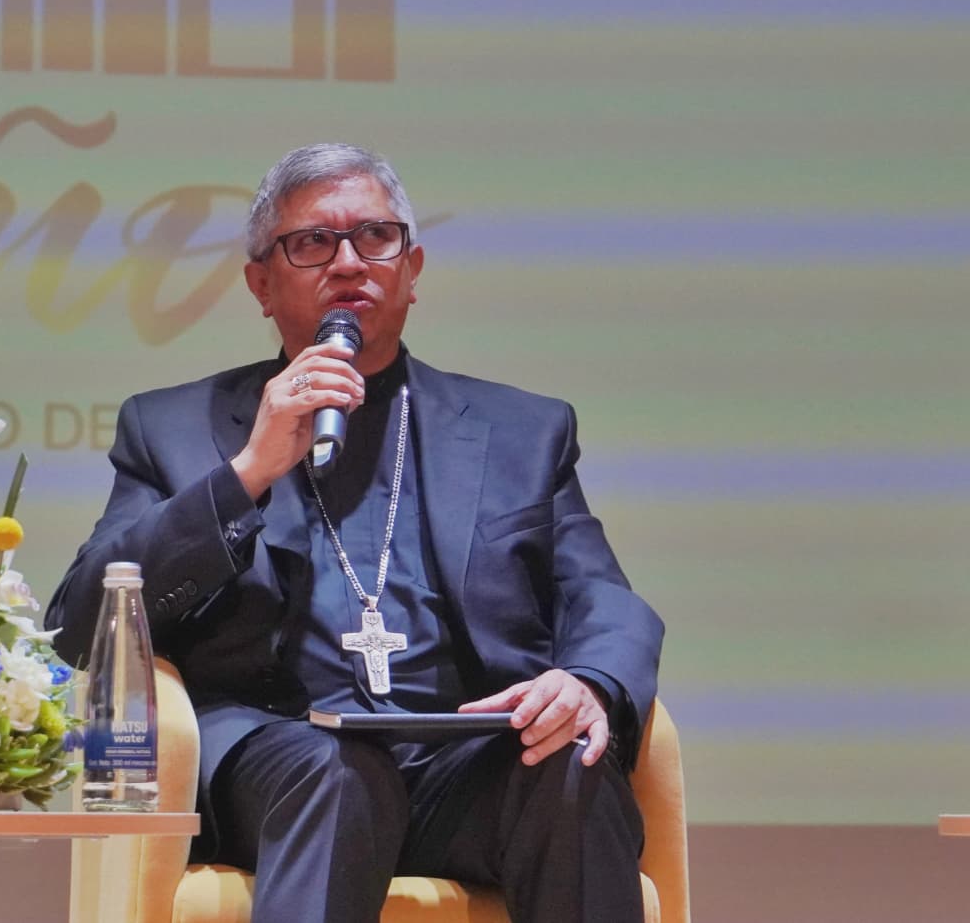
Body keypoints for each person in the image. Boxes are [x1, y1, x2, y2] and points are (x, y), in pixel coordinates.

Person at [46, 142, 664, 923]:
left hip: (464, 767)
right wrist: (248, 472)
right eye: (312, 242)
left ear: (411, 269)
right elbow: (82, 624)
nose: (348, 262)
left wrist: (590, 684)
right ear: (260, 285)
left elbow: (603, 598)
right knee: (339, 773)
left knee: (570, 766)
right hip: (285, 768)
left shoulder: (523, 432)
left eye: (375, 237)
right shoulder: (171, 428)